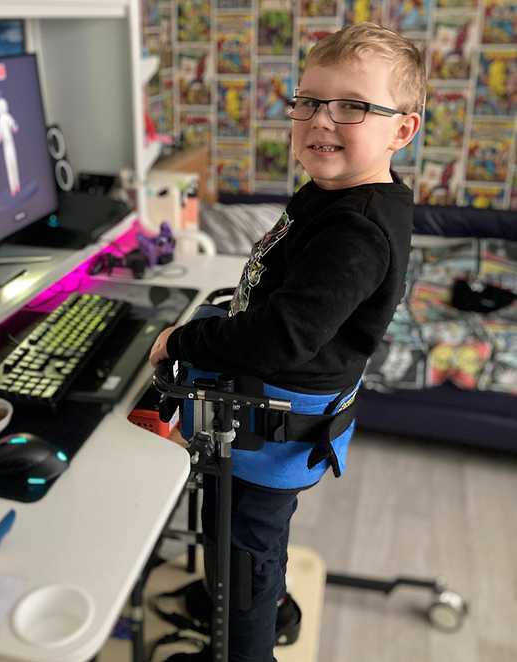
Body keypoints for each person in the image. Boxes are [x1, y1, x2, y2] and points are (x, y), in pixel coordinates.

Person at [149, 22, 425, 662]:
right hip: (262, 424)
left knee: (243, 555)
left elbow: (281, 337)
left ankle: (246, 642)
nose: (321, 120)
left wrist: (183, 340)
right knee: (243, 544)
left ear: (402, 130)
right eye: (308, 100)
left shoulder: (358, 228)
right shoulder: (332, 192)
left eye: (353, 106)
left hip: (269, 435)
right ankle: (242, 604)